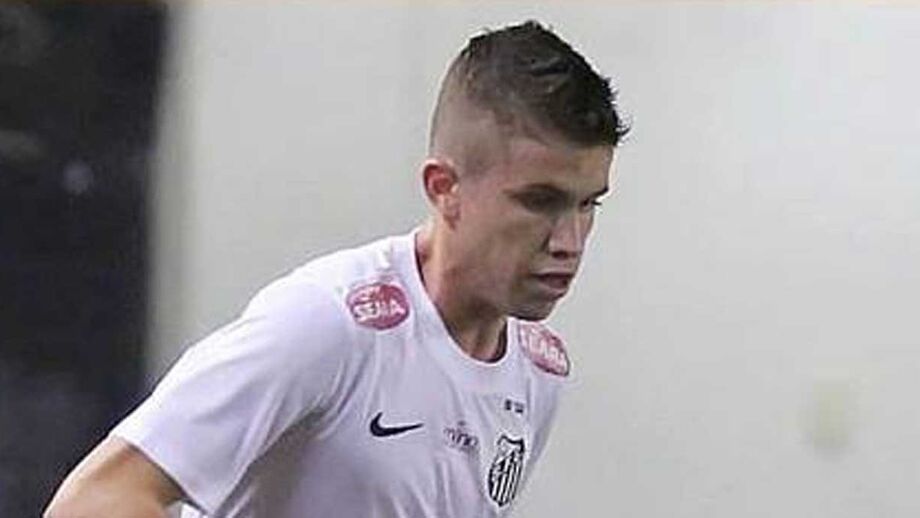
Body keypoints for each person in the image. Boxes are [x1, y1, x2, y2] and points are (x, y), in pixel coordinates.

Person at [45, 20, 628, 518]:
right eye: (539, 202)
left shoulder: (538, 371)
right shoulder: (327, 324)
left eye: (588, 205)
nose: (569, 241)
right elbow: (93, 501)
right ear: (444, 189)